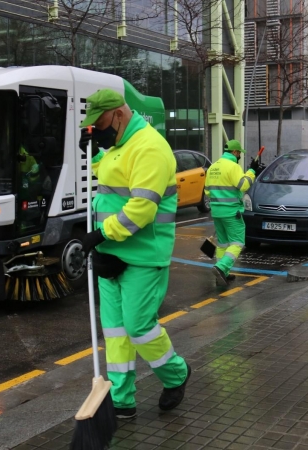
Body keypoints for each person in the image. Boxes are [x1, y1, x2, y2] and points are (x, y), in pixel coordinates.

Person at [78, 88, 190, 419]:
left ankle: (176, 374)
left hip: (142, 256)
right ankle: (122, 400)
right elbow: (113, 175)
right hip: (110, 252)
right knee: (115, 332)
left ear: (119, 115)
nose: (99, 132)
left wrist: (99, 235)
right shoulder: (118, 146)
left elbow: (141, 209)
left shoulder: (151, 148)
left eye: (100, 126)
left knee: (139, 327)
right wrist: (94, 157)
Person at [204, 140, 261, 286]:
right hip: (231, 211)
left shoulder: (213, 167)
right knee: (237, 242)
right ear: (235, 152)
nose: (239, 156)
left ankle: (223, 275)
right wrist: (252, 171)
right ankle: (222, 268)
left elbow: (208, 190)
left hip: (216, 212)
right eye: (239, 153)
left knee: (223, 243)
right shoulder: (233, 166)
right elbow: (243, 185)